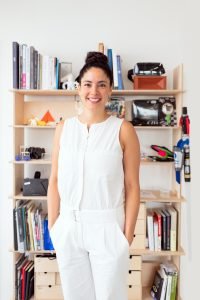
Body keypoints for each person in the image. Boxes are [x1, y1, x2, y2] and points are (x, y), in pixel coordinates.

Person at [47, 51, 140, 300]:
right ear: (78, 89)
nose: (94, 91)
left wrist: (126, 236)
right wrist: (53, 226)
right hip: (68, 227)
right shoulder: (63, 129)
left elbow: (132, 186)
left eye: (102, 85)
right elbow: (54, 179)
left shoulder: (123, 130)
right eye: (87, 84)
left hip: (108, 228)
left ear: (110, 90)